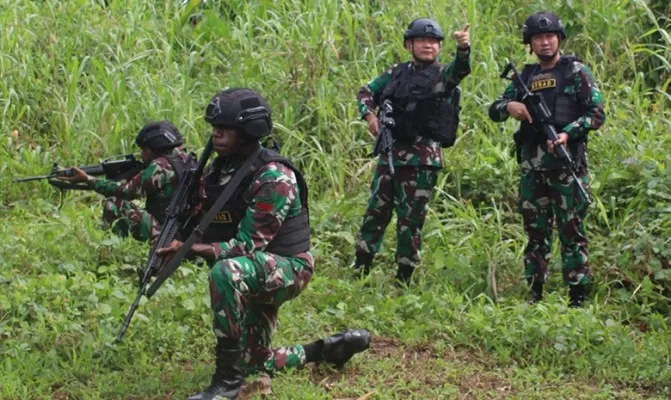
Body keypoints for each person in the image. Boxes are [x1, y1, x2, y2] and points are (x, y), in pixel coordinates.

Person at [157, 88, 370, 400]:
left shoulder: (274, 176)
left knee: (225, 272)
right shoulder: (218, 169)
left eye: (224, 129)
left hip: (287, 268)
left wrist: (189, 249)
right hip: (254, 268)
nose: (216, 135)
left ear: (247, 132)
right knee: (256, 362)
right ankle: (326, 350)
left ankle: (226, 385)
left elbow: (247, 246)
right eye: (214, 128)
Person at [488, 11, 606, 307]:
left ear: (559, 39)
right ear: (530, 43)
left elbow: (596, 113)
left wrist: (568, 133)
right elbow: (495, 109)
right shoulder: (525, 77)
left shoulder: (575, 71)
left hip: (567, 167)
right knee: (535, 233)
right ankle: (535, 292)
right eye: (538, 38)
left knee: (572, 232)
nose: (544, 42)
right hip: (532, 168)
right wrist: (510, 105)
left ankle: (577, 297)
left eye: (549, 36)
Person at [353, 18, 471, 284]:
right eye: (422, 41)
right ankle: (361, 268)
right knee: (375, 212)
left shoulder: (442, 76)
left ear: (440, 47)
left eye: (433, 42)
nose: (428, 46)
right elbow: (365, 93)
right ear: (410, 45)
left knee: (410, 220)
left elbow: (460, 70)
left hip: (421, 160)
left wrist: (463, 48)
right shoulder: (396, 73)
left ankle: (403, 277)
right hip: (390, 153)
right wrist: (370, 117)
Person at [59, 121, 195, 241]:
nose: (142, 155)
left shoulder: (161, 166)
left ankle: (110, 246)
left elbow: (126, 191)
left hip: (167, 233)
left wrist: (88, 179)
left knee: (114, 203)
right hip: (185, 232)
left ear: (155, 148)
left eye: (144, 150)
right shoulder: (187, 160)